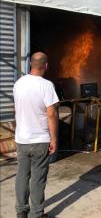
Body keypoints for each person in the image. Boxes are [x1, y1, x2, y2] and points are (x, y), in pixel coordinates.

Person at [14, 52, 59, 218]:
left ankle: (21, 212)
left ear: (30, 64)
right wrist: (54, 138)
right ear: (46, 66)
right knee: (38, 179)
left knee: (22, 176)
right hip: (40, 140)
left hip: (21, 139)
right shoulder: (46, 85)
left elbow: (16, 109)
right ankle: (36, 214)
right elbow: (52, 114)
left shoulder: (18, 83)